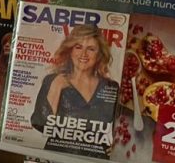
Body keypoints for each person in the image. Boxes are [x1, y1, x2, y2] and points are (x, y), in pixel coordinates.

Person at [30, 24, 119, 156]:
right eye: (78, 47)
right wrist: (56, 88)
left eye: (91, 49)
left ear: (99, 54)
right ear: (70, 50)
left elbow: (119, 129)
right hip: (57, 160)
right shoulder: (53, 80)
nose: (83, 54)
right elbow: (41, 124)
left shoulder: (111, 87)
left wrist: (117, 146)